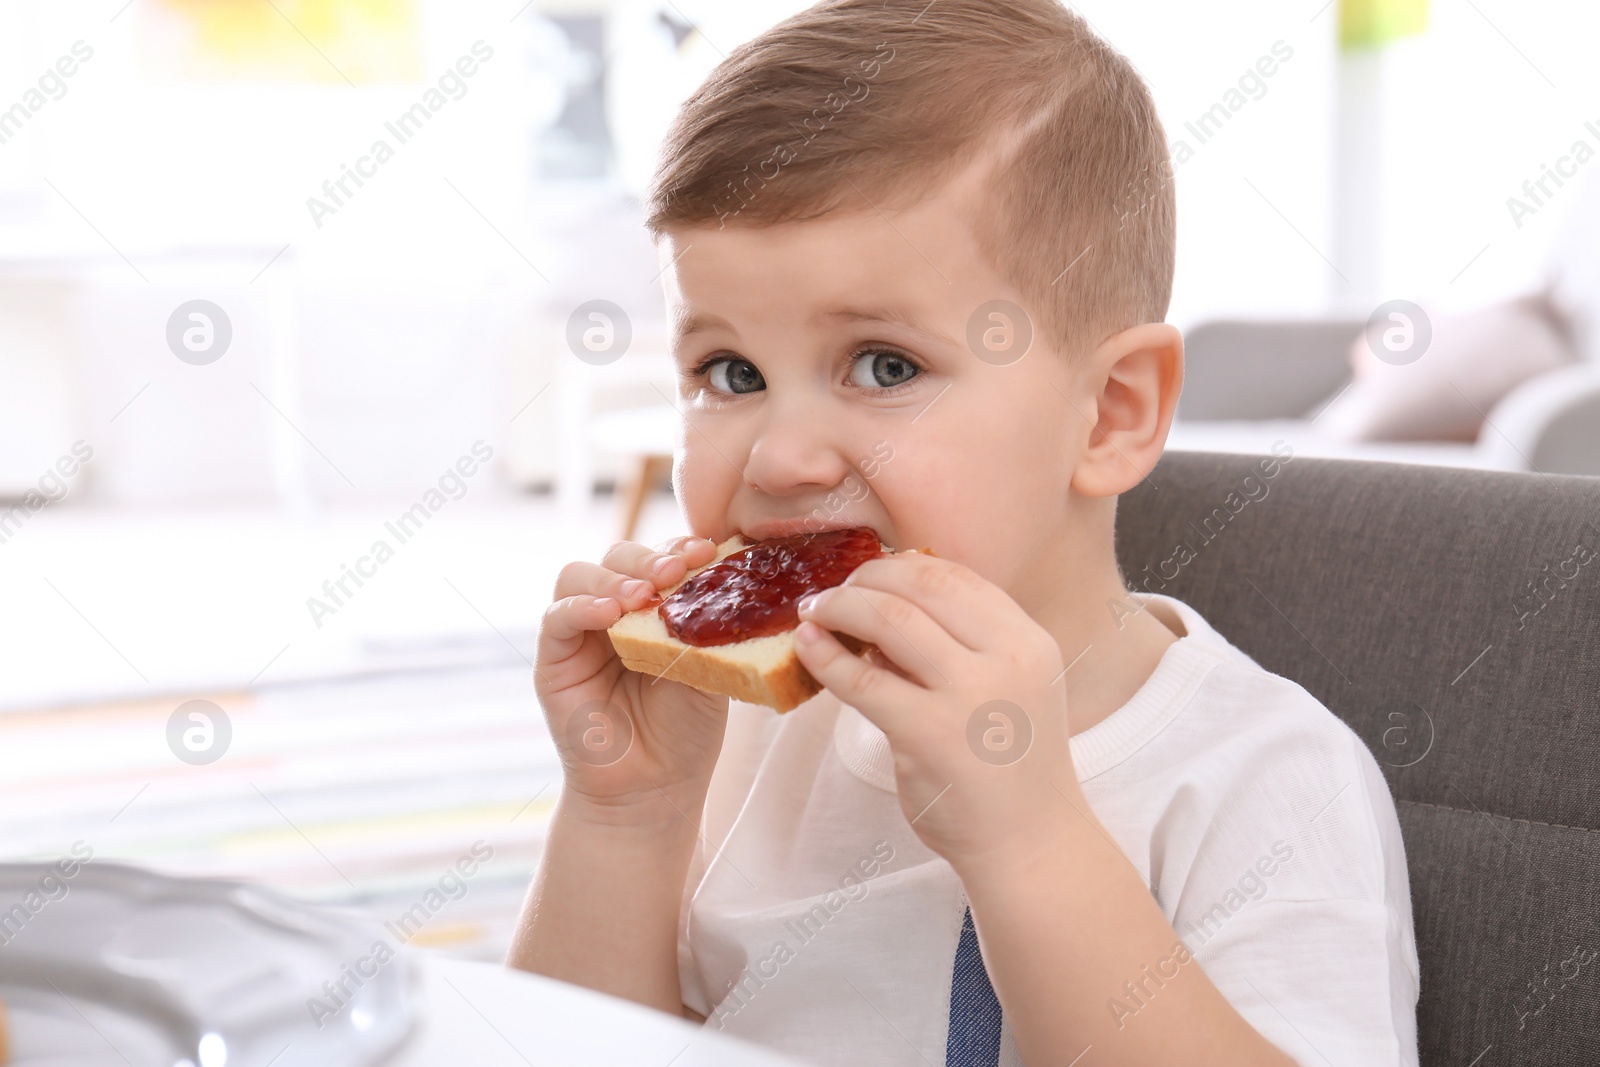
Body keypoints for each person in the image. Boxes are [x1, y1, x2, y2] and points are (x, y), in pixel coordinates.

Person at [509, 2, 1420, 1064]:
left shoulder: (1262, 777)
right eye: (731, 373)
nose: (779, 457)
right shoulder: (739, 737)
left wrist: (1029, 841)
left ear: (1112, 411)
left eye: (885, 365)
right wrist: (624, 813)